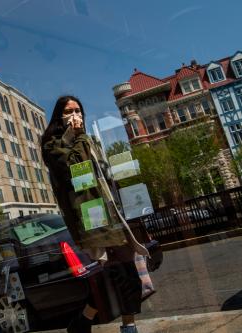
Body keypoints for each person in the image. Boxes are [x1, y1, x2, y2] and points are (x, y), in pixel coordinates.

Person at [41, 96, 146, 333]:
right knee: (115, 271)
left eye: (78, 110)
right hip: (89, 212)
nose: (75, 115)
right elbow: (74, 171)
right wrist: (76, 137)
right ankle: (96, 323)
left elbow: (103, 173)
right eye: (69, 111)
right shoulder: (52, 145)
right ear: (60, 116)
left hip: (110, 209)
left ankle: (93, 322)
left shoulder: (87, 139)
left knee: (125, 270)